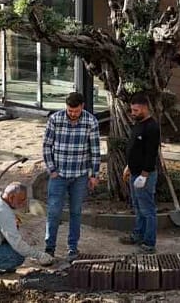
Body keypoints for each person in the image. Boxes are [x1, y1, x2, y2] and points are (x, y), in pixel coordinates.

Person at [42, 92, 101, 260]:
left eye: (75, 111)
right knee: (54, 211)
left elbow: (95, 151)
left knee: (76, 212)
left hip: (80, 176)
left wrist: (94, 175)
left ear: (82, 107)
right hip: (58, 175)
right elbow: (46, 146)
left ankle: (72, 248)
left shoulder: (91, 121)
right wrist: (52, 170)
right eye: (69, 110)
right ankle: (49, 248)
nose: (72, 114)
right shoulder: (55, 119)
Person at [119, 92, 160, 255]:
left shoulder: (152, 127)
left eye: (136, 110)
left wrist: (144, 175)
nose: (133, 113)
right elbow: (135, 148)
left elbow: (151, 154)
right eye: (132, 110)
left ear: (144, 108)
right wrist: (129, 166)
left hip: (145, 176)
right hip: (134, 172)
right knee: (137, 206)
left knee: (147, 209)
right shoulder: (138, 124)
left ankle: (149, 242)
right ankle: (138, 234)